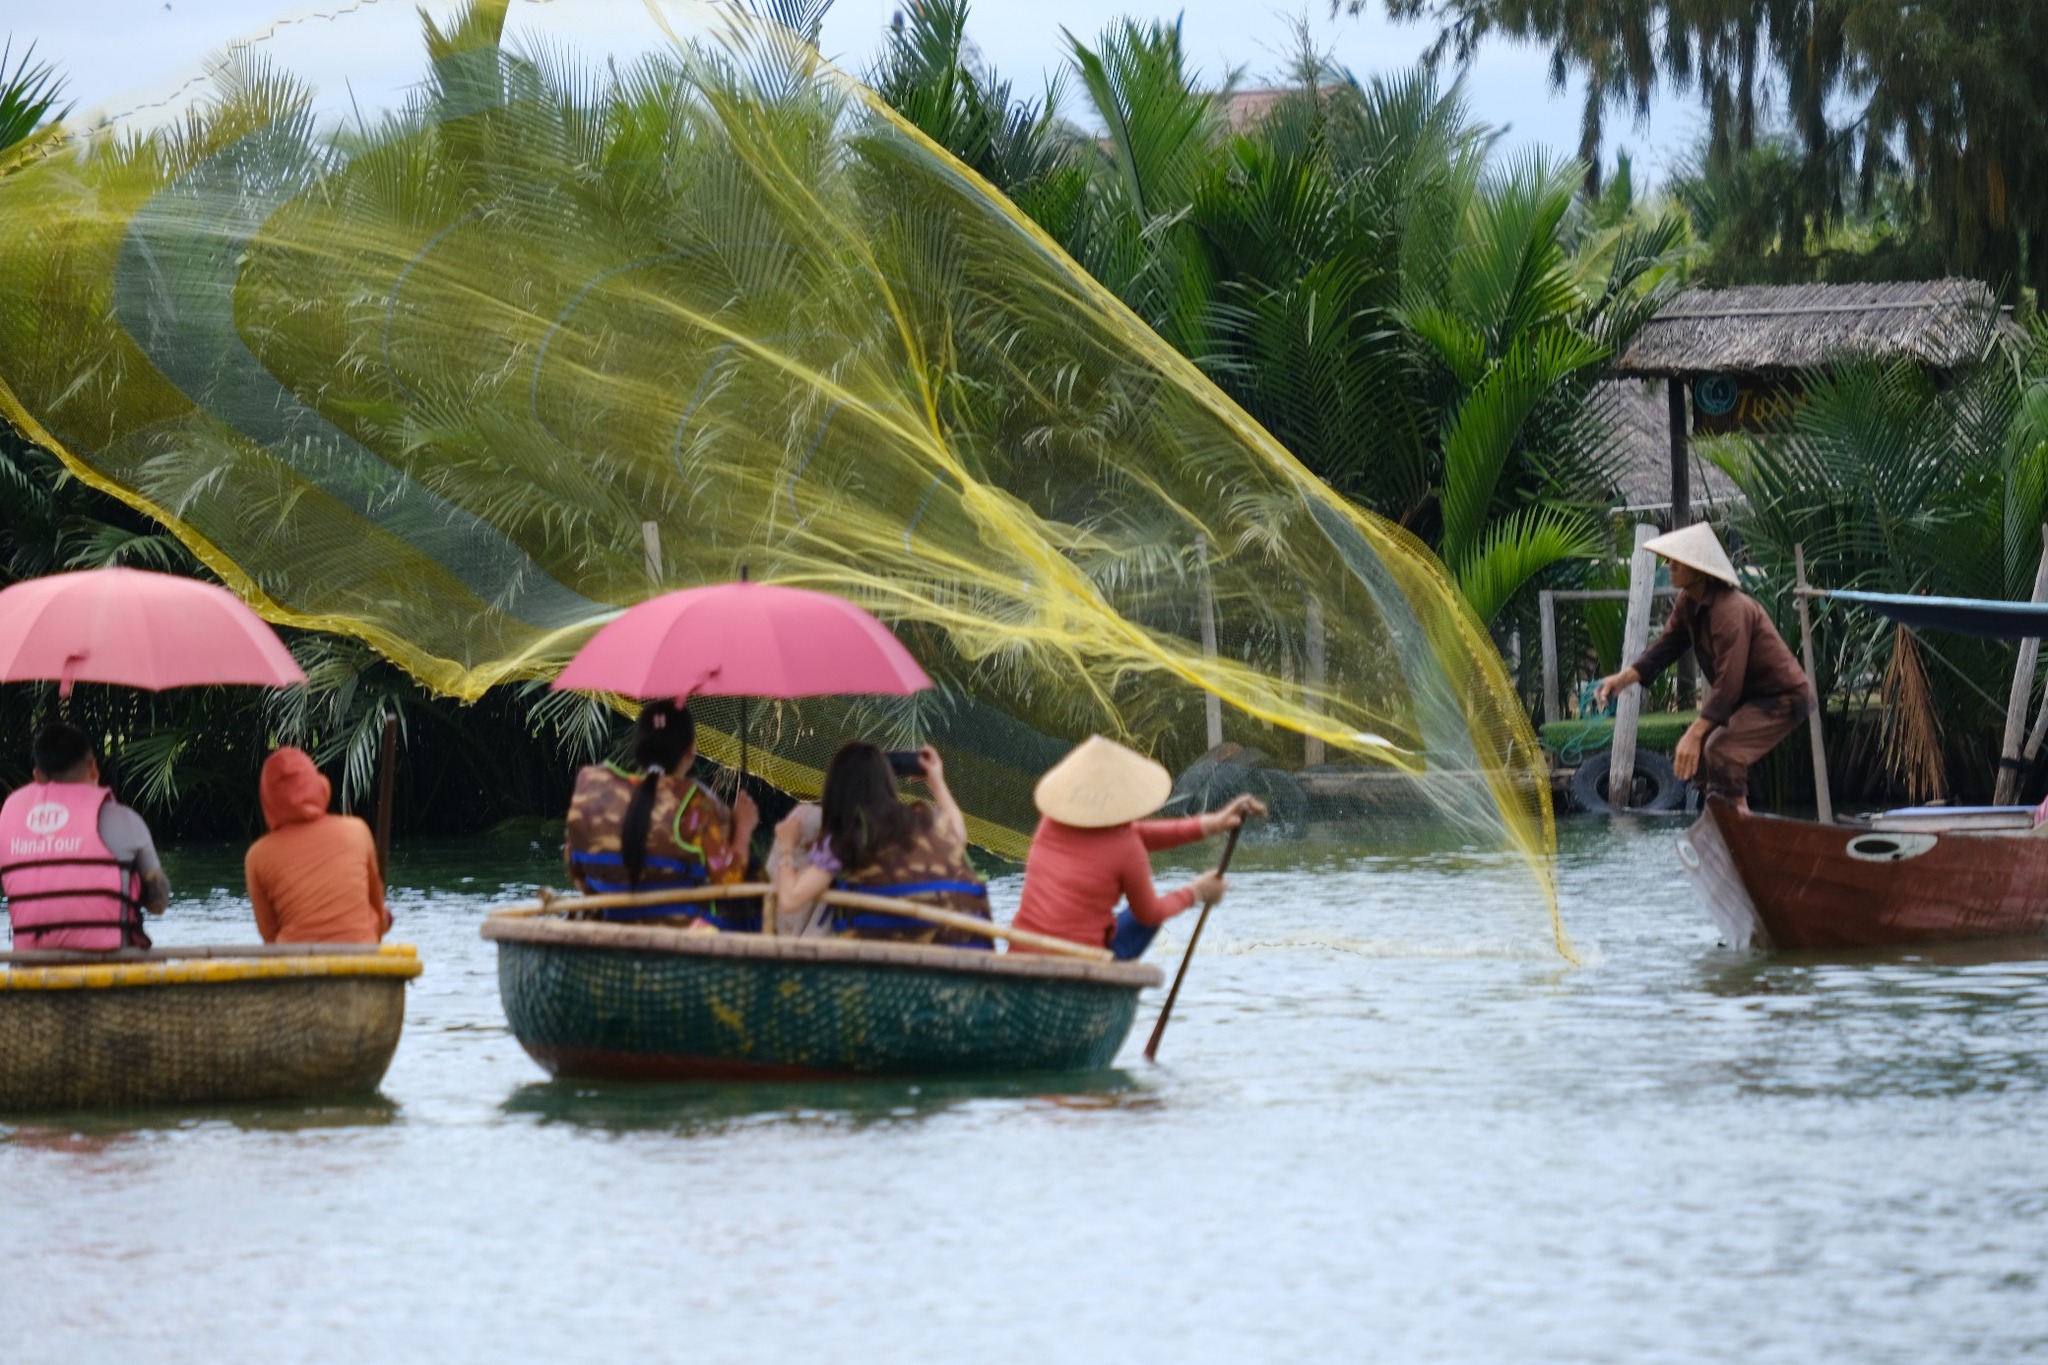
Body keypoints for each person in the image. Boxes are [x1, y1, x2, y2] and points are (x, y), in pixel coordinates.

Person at [1592, 522, 1816, 812]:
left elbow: (1729, 684)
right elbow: (1666, 646)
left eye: (1676, 560)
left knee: (1720, 748)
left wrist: (1695, 733)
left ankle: (1741, 824)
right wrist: (1623, 679)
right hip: (1746, 699)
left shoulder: (1730, 611)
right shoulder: (1689, 603)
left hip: (1780, 697)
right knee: (1700, 757)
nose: (1668, 564)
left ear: (1698, 569)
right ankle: (1722, 826)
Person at [1011, 735, 1263, 959]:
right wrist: (1196, 891)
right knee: (1143, 919)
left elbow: (1134, 834)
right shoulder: (1127, 848)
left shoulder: (1050, 824)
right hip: (1081, 961)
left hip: (1023, 949)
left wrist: (1212, 824)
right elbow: (1150, 914)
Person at [771, 741, 990, 945]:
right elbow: (959, 835)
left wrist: (786, 846)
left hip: (889, 963)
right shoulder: (922, 819)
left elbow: (791, 899)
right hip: (961, 949)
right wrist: (936, 782)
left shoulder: (848, 836)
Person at [565, 699, 759, 928]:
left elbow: (577, 871)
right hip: (679, 943)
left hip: (609, 931)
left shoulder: (594, 796)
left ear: (639, 747)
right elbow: (731, 882)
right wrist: (744, 828)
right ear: (690, 750)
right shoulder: (696, 805)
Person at [0, 721, 170, 951]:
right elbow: (158, 904)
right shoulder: (124, 819)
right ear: (92, 767)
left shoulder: (8, 816)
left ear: (37, 776)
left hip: (30, 967)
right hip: (111, 965)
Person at [244, 747, 389, 944]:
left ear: (267, 798)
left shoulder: (257, 856)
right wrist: (382, 922)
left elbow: (269, 935)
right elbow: (378, 911)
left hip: (296, 965)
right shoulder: (357, 831)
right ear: (316, 784)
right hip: (360, 956)